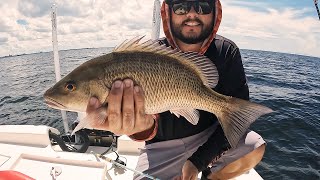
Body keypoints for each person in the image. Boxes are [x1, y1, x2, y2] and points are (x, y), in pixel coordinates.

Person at [86, 0, 266, 179]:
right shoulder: (150, 55)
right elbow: (148, 127)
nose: (192, 14)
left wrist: (198, 162)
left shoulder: (226, 51)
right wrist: (138, 128)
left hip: (208, 136)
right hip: (162, 147)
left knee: (254, 147)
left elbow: (235, 122)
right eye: (181, 6)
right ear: (168, 11)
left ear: (216, 12)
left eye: (203, 5)